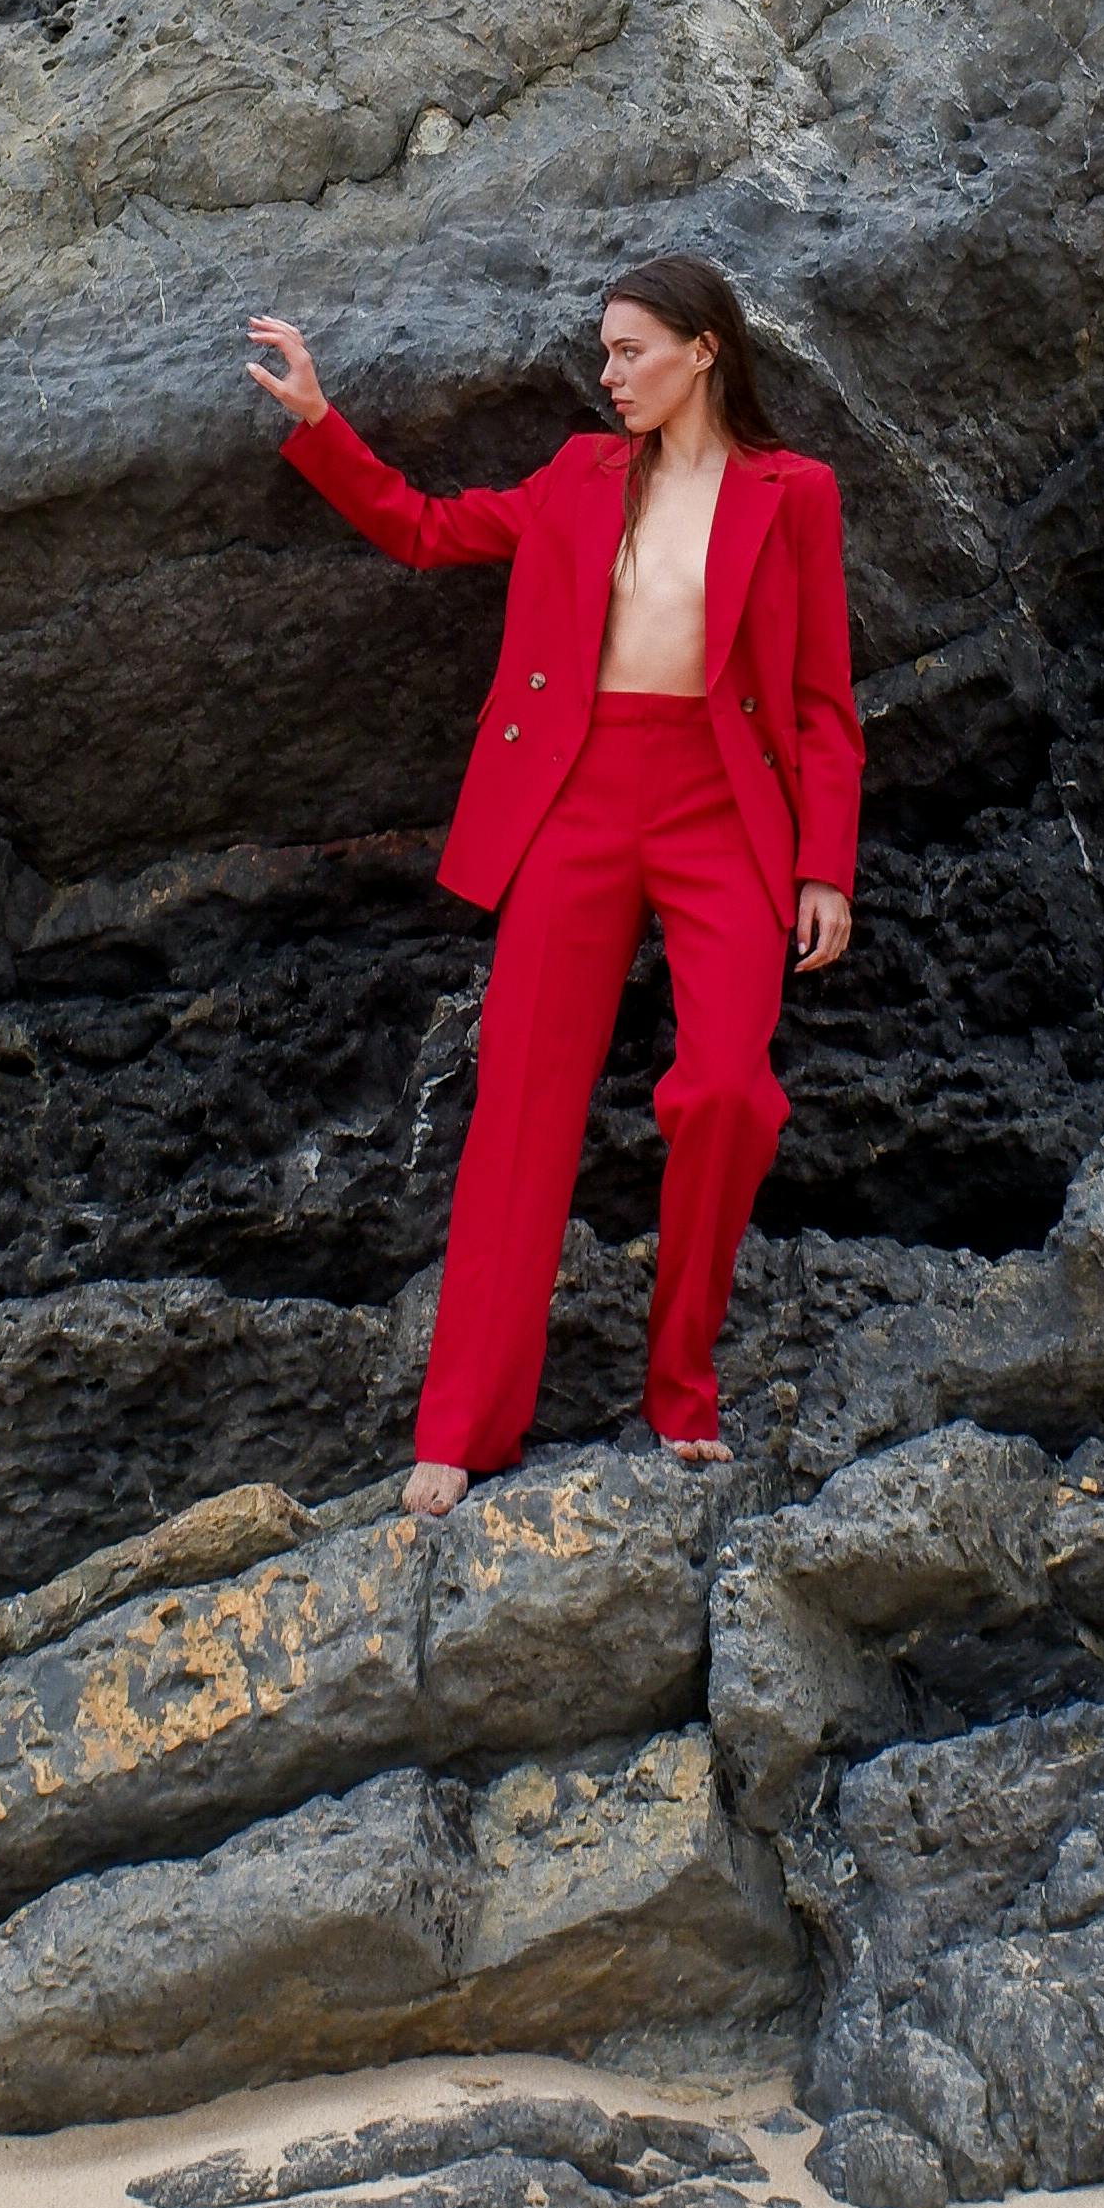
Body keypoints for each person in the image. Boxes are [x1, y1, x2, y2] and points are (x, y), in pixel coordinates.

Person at [245, 263, 864, 1513]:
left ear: (703, 352)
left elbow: (818, 702)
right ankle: (462, 1430)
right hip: (576, 805)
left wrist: (823, 870)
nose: (610, 374)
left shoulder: (792, 492)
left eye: (631, 352)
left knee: (730, 1094)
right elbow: (427, 530)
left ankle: (680, 1386)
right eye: (605, 354)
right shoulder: (579, 475)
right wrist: (323, 423)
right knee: (520, 1112)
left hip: (720, 811)